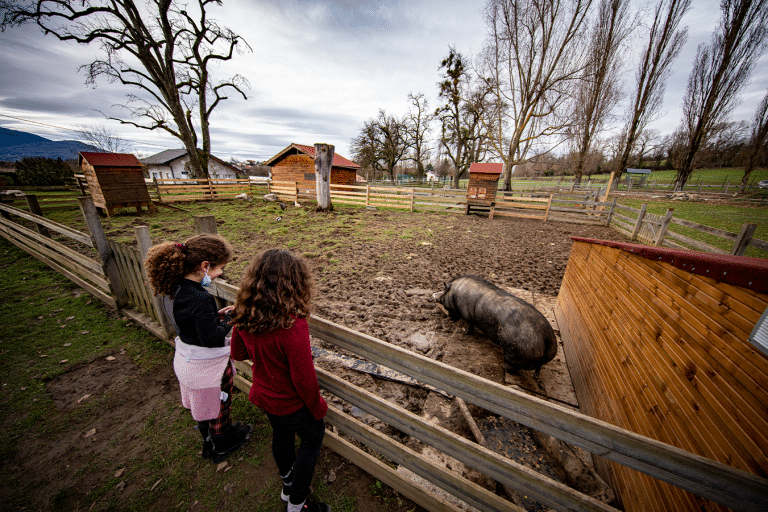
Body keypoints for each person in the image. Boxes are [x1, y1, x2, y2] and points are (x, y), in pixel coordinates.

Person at [230, 249, 330, 512]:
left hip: (264, 396)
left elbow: (238, 353)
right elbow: (304, 379)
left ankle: (287, 486)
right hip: (289, 402)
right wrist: (318, 408)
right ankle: (297, 504)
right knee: (313, 436)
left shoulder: (245, 313)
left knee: (281, 434)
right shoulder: (292, 326)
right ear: (295, 284)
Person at [145, 234, 252, 464]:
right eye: (219, 268)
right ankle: (221, 445)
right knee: (218, 403)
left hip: (187, 357)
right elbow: (212, 339)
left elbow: (190, 322)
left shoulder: (174, 288)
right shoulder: (200, 297)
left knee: (203, 405)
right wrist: (231, 320)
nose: (220, 274)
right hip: (208, 366)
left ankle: (209, 440)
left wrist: (216, 316)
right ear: (204, 266)